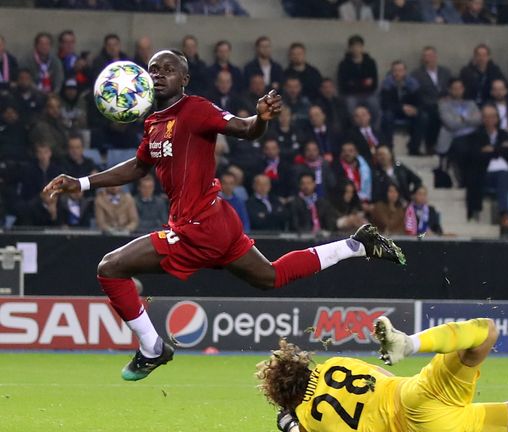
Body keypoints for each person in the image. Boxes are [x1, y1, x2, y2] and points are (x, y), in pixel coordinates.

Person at [43, 49, 406, 382]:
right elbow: (139, 167)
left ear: (184, 79)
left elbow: (245, 128)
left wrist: (260, 118)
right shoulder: (153, 122)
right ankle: (356, 245)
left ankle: (152, 348)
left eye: (168, 69)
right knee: (269, 276)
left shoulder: (196, 109)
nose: (158, 74)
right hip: (215, 221)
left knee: (109, 267)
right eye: (153, 69)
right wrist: (82, 182)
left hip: (198, 226)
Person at [262, 317, 508, 432]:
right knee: (485, 334)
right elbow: (379, 373)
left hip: (425, 428)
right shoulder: (334, 364)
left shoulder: (311, 417)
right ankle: (412, 343)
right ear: (303, 364)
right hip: (416, 392)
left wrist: (289, 424)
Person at [410, 46, 452, 155]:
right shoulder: (416, 74)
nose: (428, 58)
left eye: (430, 55)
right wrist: (436, 102)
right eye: (425, 56)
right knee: (432, 114)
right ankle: (430, 146)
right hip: (427, 105)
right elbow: (417, 94)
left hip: (446, 103)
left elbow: (450, 87)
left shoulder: (445, 72)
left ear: (435, 56)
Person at [380, 60, 422, 154]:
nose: (397, 73)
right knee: (387, 116)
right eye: (395, 70)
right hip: (394, 111)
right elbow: (386, 103)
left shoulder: (413, 84)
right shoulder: (387, 84)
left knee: (423, 116)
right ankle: (388, 147)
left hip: (408, 111)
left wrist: (415, 109)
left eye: (400, 70)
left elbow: (419, 101)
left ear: (405, 71)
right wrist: (402, 107)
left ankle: (414, 148)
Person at [337, 35, 379, 121]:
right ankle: (355, 130)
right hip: (351, 95)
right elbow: (343, 84)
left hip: (368, 94)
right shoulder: (344, 64)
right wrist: (364, 82)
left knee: (374, 105)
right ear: (350, 48)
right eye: (353, 47)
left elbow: (374, 83)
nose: (356, 49)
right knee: (350, 106)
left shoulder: (370, 63)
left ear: (362, 47)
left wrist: (354, 83)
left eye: (358, 46)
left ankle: (373, 130)